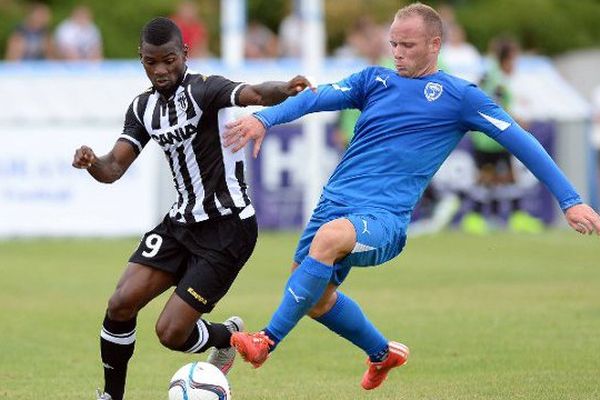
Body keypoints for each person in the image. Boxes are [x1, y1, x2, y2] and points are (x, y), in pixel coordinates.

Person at [222, 2, 600, 391]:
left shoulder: (460, 97)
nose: (397, 53)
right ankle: (381, 353)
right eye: (393, 44)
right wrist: (264, 117)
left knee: (329, 240)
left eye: (407, 45)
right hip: (333, 204)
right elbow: (315, 98)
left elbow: (521, 141)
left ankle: (266, 340)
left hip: (384, 218)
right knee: (314, 298)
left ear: (434, 45)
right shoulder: (374, 80)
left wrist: (570, 199)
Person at [71, 17, 312, 400]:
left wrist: (283, 88)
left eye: (169, 60)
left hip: (227, 229)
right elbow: (114, 168)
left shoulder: (206, 90)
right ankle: (110, 396)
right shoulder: (142, 108)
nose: (161, 70)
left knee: (170, 334)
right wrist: (92, 162)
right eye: (152, 62)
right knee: (120, 303)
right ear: (142, 59)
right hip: (180, 224)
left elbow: (252, 92)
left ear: (184, 54)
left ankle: (227, 337)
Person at [462, 36, 543, 234]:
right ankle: (476, 218)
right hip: (490, 138)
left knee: (505, 177)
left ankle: (512, 217)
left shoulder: (489, 74)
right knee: (488, 177)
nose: (515, 65)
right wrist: (517, 122)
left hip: (491, 137)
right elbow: (494, 109)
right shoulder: (496, 80)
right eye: (514, 60)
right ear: (505, 60)